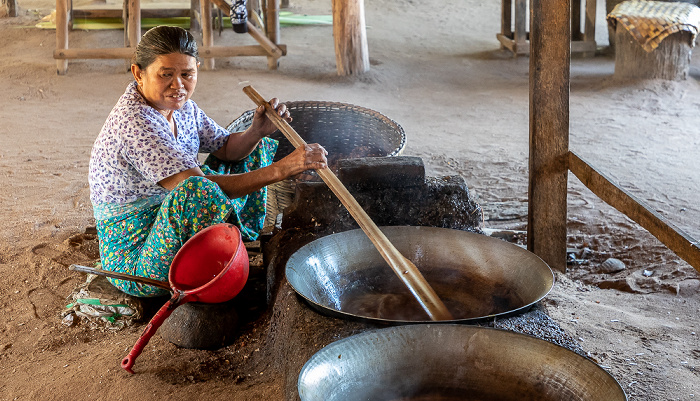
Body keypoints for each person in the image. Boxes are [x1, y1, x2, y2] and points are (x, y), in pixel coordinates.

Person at [88, 25, 328, 297]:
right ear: (138, 73)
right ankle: (205, 266)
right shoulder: (135, 122)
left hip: (166, 221)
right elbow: (198, 189)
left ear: (197, 69)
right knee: (197, 191)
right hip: (136, 261)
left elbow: (226, 148)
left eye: (187, 74)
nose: (178, 86)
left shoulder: (182, 108)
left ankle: (229, 244)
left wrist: (256, 131)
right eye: (166, 75)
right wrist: (283, 169)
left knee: (248, 155)